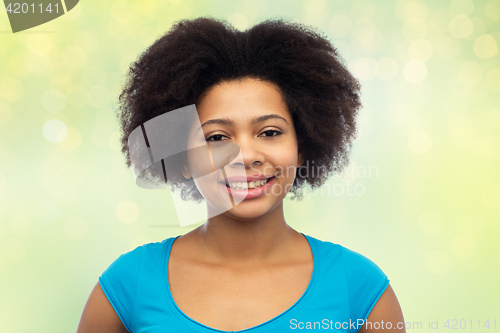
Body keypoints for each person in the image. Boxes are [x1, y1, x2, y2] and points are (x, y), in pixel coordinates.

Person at [77, 17, 405, 332]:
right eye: (217, 137)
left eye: (270, 132)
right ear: (183, 159)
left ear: (302, 146)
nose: (245, 156)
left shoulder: (360, 290)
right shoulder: (127, 284)